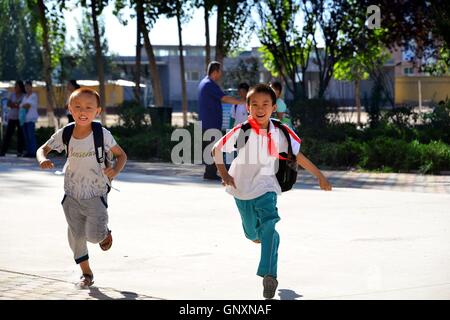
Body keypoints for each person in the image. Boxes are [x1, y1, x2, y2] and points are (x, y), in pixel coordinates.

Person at [212, 84, 332, 299]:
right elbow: (216, 150)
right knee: (252, 232)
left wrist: (319, 176)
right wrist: (224, 175)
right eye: (255, 104)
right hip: (241, 188)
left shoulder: (281, 132)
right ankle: (264, 236)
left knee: (269, 223)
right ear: (248, 108)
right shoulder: (243, 131)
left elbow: (298, 156)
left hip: (267, 186)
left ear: (273, 107)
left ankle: (270, 275)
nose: (260, 108)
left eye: (265, 104)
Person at [36, 88, 127, 288]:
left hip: (96, 192)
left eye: (88, 107)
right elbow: (42, 148)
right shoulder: (66, 132)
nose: (82, 111)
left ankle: (104, 233)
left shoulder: (101, 134)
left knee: (93, 236)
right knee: (76, 235)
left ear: (98, 111)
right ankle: (86, 274)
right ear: (70, 109)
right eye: (77, 107)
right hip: (71, 193)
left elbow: (121, 155)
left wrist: (115, 171)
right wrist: (42, 158)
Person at [198, 61, 244, 180]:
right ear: (215, 72)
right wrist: (241, 102)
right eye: (220, 71)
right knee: (213, 148)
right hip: (211, 122)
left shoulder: (204, 82)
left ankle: (210, 172)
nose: (221, 74)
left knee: (210, 147)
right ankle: (210, 173)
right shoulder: (209, 84)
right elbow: (225, 98)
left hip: (207, 121)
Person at [0, 80, 26, 157]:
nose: (15, 88)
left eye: (17, 86)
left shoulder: (24, 95)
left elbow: (21, 105)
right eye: (15, 86)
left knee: (20, 135)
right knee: (8, 134)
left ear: (21, 87)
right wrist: (16, 104)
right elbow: (8, 104)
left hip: (20, 118)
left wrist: (14, 104)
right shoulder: (12, 95)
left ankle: (19, 151)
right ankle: (3, 151)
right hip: (12, 117)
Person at [20, 80, 39, 157]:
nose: (27, 88)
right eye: (26, 86)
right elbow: (22, 105)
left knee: (31, 136)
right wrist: (22, 105)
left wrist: (22, 105)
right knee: (26, 137)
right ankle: (28, 152)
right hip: (24, 119)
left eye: (28, 86)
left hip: (31, 119)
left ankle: (33, 152)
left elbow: (27, 105)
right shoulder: (25, 96)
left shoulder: (34, 95)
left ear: (31, 87)